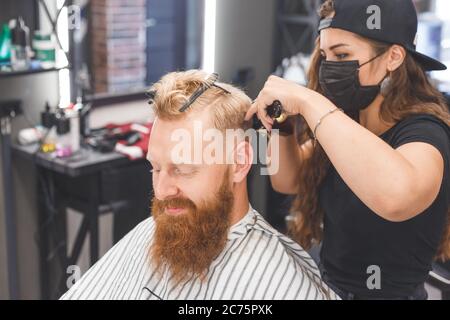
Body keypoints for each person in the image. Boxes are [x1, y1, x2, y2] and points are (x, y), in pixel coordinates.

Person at [60, 70, 337, 300]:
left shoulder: (280, 283)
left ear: (239, 163)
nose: (162, 190)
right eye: (155, 168)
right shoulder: (155, 232)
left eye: (182, 170)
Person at [246, 0, 450, 300]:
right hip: (327, 286)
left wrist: (309, 102)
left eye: (342, 55)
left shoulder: (426, 132)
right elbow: (286, 180)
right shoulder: (345, 122)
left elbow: (396, 197)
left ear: (393, 57)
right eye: (326, 55)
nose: (329, 67)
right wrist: (280, 125)